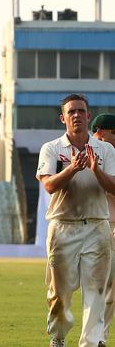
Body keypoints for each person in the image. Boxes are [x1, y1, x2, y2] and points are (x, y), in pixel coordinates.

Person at [36, 94, 115, 347]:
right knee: (60, 293)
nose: (77, 116)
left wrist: (95, 169)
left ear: (88, 116)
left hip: (96, 225)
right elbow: (48, 185)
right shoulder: (51, 148)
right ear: (63, 118)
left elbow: (113, 186)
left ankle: (91, 342)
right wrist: (72, 169)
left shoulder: (105, 149)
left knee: (96, 291)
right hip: (63, 226)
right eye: (71, 112)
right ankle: (58, 337)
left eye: (81, 111)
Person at [91, 113, 115, 345]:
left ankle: (100, 337)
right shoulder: (93, 155)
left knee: (110, 289)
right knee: (102, 286)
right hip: (101, 225)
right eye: (112, 132)